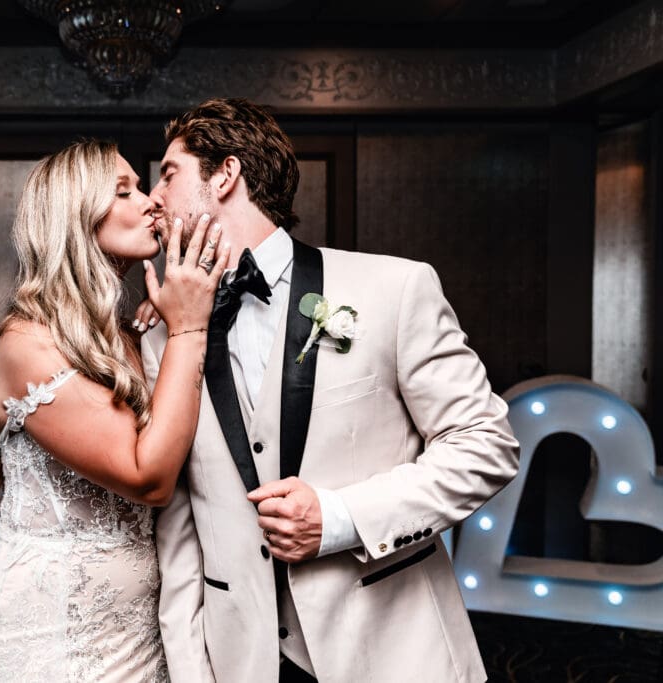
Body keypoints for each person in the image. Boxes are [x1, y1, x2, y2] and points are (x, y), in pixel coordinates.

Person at [139, 98, 520, 682]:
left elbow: (486, 445)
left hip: (392, 655)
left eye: (168, 175)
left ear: (225, 174)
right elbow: (180, 532)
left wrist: (340, 518)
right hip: (243, 661)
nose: (153, 198)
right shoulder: (162, 339)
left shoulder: (393, 288)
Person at [0, 139, 229, 683]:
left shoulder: (125, 336)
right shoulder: (27, 342)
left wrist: (167, 329)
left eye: (142, 186)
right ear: (74, 217)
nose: (150, 201)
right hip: (53, 626)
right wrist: (189, 328)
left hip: (137, 624)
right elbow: (147, 477)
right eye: (124, 192)